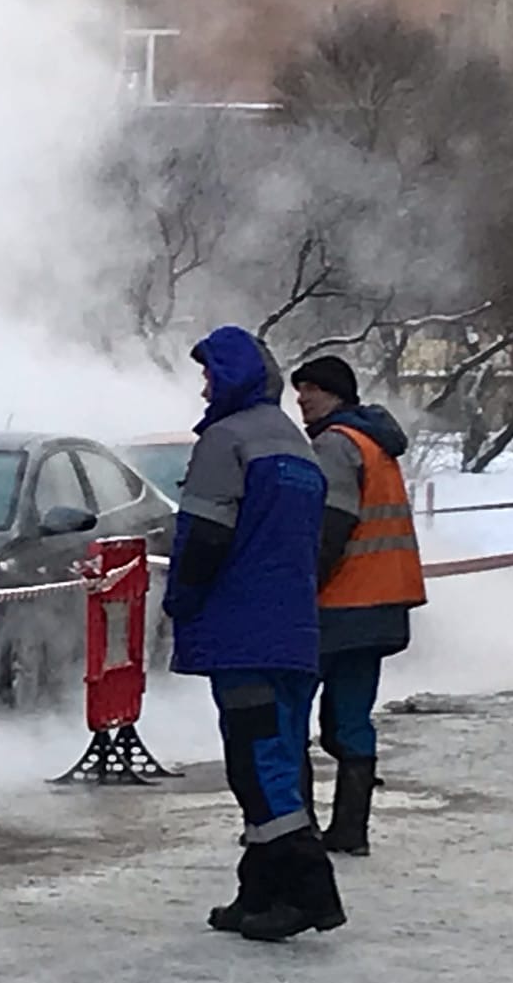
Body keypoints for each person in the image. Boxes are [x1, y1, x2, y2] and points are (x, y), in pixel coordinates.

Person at [162, 326, 344, 943]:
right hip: (295, 629)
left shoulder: (226, 440)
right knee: (281, 753)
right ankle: (259, 889)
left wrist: (182, 601)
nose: (206, 385)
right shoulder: (296, 444)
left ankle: (307, 893)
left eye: (211, 373)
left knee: (256, 760)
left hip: (243, 630)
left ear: (232, 376)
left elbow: (205, 536)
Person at [288, 353, 426, 857]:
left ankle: (293, 829)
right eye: (299, 389)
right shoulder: (375, 443)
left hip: (337, 604)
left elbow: (331, 527)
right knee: (350, 718)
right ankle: (351, 830)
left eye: (312, 389)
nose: (302, 398)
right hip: (383, 604)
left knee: (290, 714)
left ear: (337, 395)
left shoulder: (335, 445)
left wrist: (299, 586)